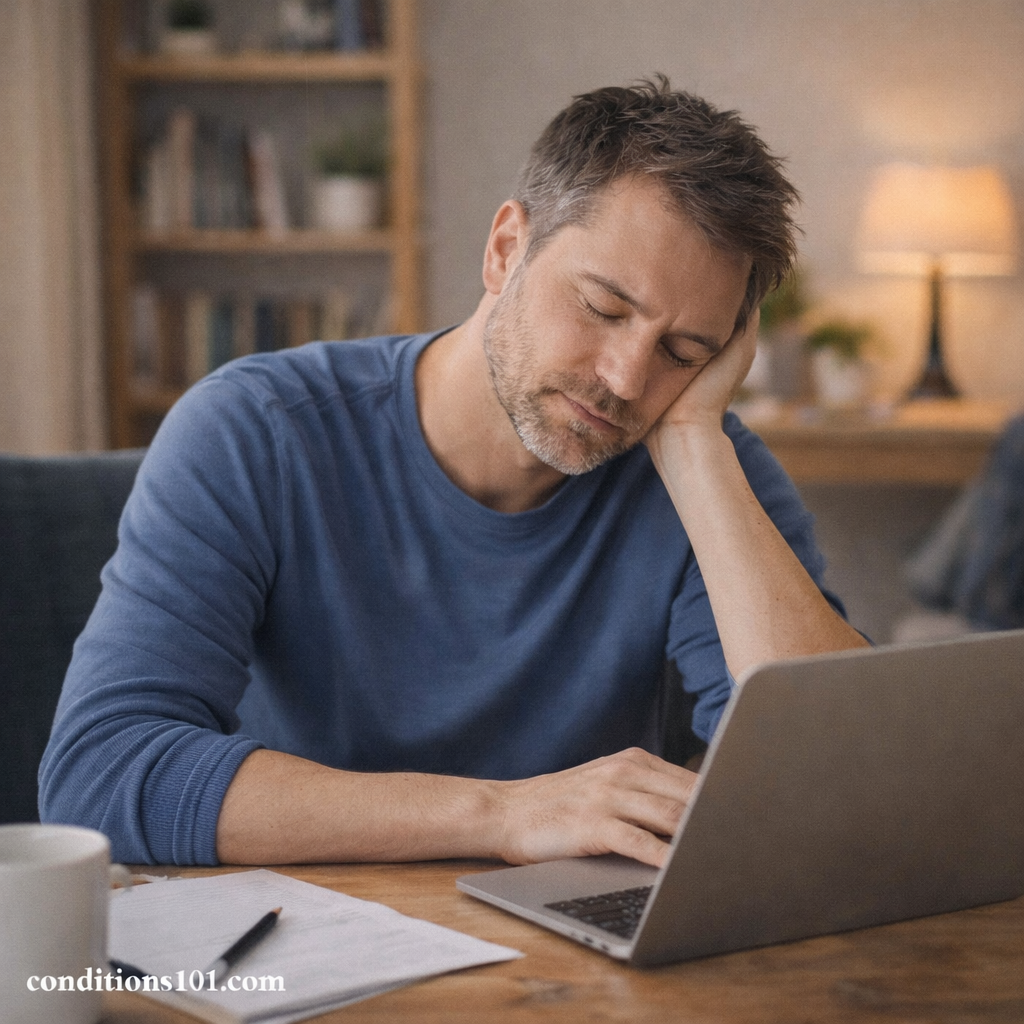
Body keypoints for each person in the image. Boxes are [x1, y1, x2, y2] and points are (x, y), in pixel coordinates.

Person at [40, 77, 868, 867]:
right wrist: (503, 814)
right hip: (300, 946)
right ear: (507, 249)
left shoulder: (706, 471)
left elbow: (837, 789)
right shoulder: (257, 432)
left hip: (577, 972)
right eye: (604, 308)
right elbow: (102, 774)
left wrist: (694, 446)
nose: (625, 379)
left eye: (684, 351)